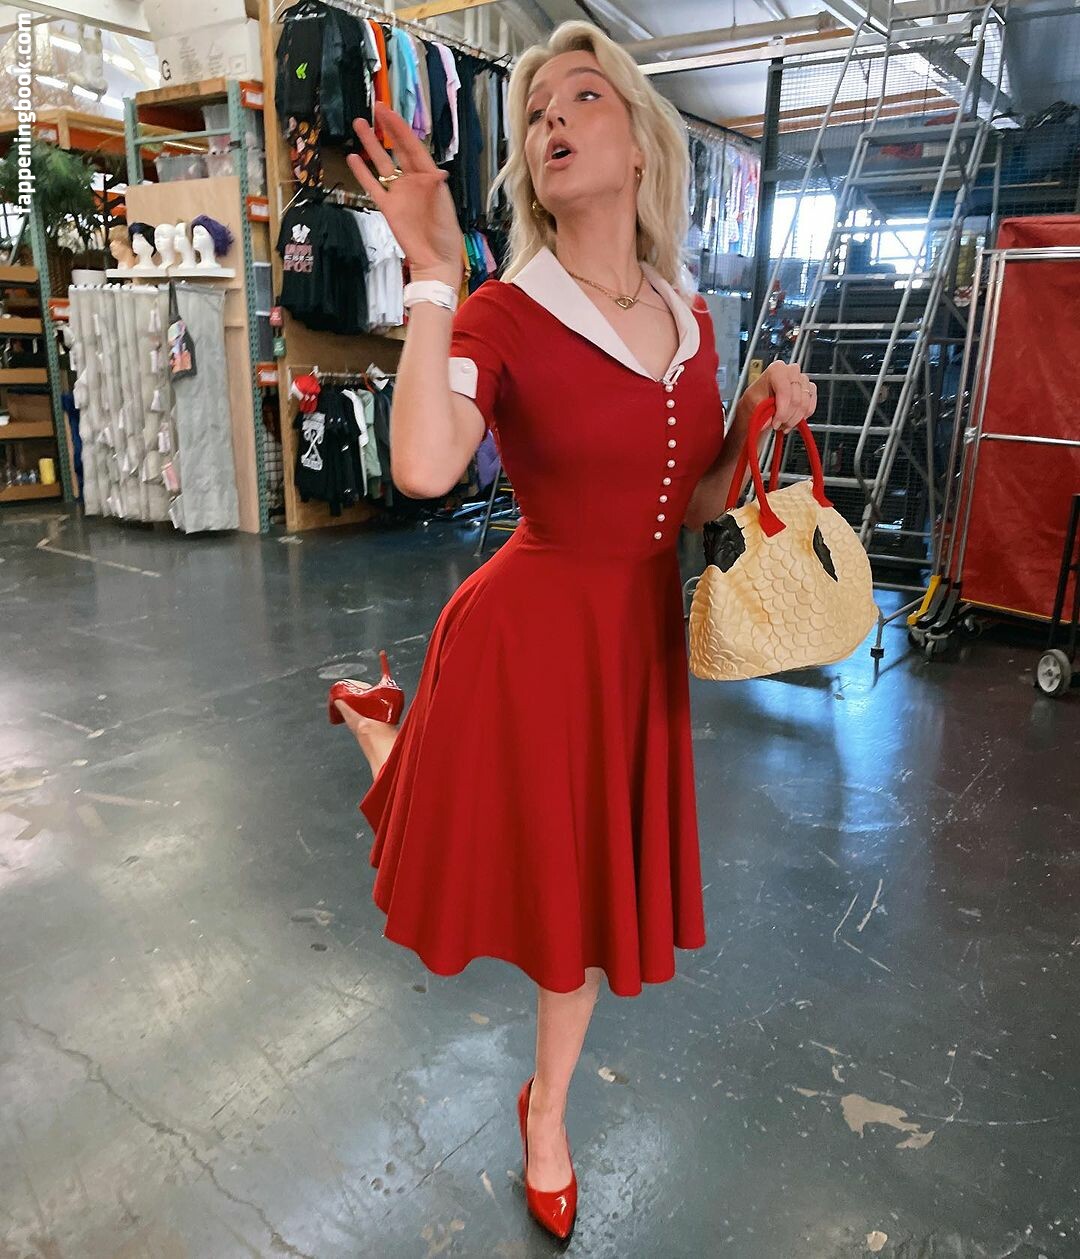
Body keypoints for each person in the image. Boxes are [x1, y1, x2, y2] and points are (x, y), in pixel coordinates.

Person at [330, 19, 816, 1241]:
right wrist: (432, 272)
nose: (551, 117)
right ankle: (387, 732)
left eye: (582, 96)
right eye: (537, 108)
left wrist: (756, 416)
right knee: (526, 884)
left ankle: (542, 1105)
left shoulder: (691, 319)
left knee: (583, 906)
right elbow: (425, 464)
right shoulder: (504, 311)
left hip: (634, 651)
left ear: (641, 144)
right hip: (527, 638)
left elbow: (695, 503)